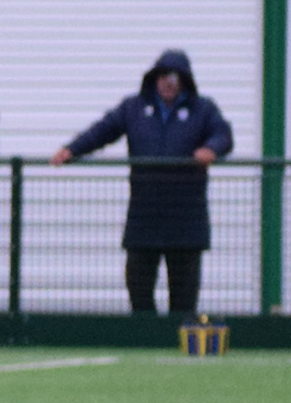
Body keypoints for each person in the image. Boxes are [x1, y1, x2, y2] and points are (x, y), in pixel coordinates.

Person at [53, 49, 233, 316]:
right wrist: (72, 149)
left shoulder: (202, 109)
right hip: (144, 214)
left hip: (186, 217)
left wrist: (211, 149)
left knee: (184, 293)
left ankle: (178, 340)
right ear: (154, 79)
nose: (167, 82)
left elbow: (223, 135)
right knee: (138, 283)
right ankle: (145, 339)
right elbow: (103, 130)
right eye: (162, 76)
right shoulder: (133, 108)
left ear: (184, 80)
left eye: (174, 77)